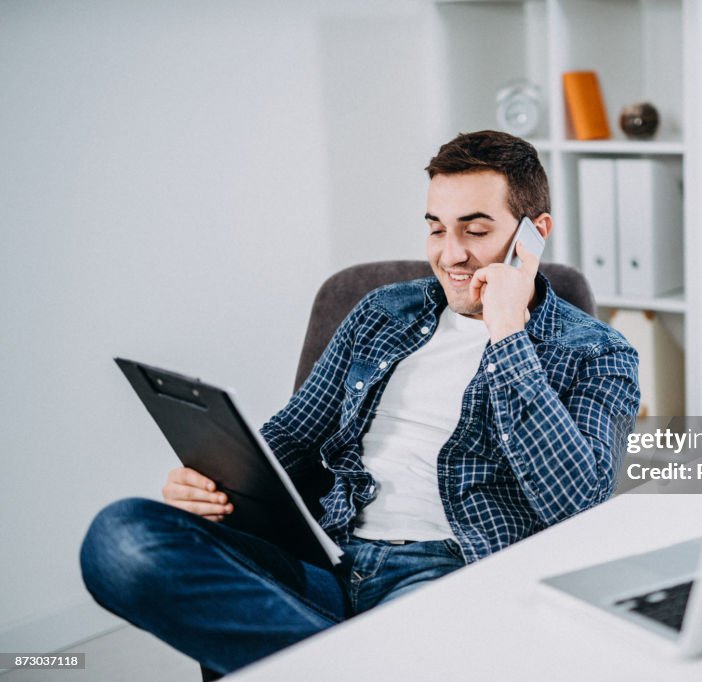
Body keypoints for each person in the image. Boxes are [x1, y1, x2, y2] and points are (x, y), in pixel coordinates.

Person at [80, 130, 640, 676]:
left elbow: (577, 506)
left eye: (475, 230)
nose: (451, 255)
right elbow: (294, 437)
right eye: (436, 229)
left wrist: (509, 337)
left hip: (450, 577)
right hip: (333, 560)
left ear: (533, 235)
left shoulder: (596, 352)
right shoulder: (382, 313)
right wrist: (213, 478)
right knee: (121, 540)